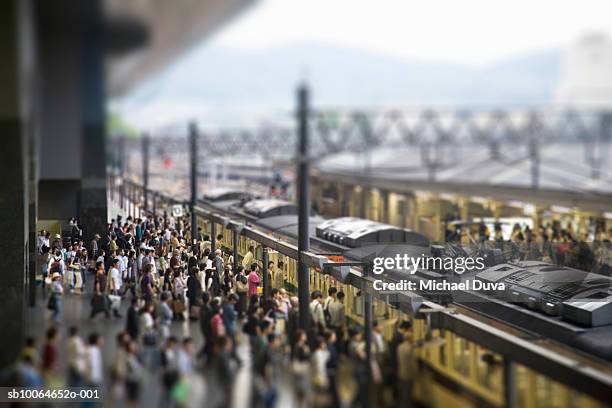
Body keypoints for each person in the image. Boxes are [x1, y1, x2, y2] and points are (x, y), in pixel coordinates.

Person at [397, 332, 416, 407]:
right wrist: (415, 373)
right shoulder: (409, 348)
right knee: (407, 394)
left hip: (401, 372)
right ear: (409, 339)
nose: (413, 339)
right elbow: (412, 363)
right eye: (412, 338)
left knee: (403, 394)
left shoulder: (400, 347)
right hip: (408, 374)